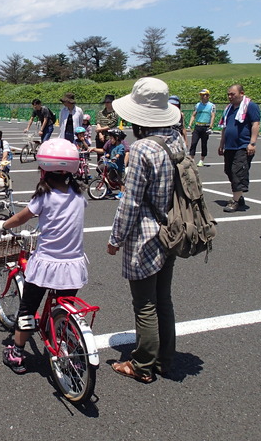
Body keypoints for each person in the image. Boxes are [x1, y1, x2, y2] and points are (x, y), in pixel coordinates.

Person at [106, 77, 183, 383]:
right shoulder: (177, 141)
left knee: (145, 303)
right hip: (172, 228)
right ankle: (165, 360)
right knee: (163, 298)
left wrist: (115, 239)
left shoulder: (141, 149)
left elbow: (131, 203)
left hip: (146, 234)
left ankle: (142, 365)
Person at [0, 138, 87, 374]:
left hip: (47, 263)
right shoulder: (79, 195)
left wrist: (4, 225)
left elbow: (22, 218)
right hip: (73, 265)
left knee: (28, 308)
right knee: (64, 307)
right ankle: (69, 348)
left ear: (44, 170)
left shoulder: (44, 196)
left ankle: (16, 353)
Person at [218, 84, 261, 213]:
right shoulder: (229, 109)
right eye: (229, 94)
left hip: (242, 146)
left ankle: (235, 201)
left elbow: (256, 124)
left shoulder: (250, 106)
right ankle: (239, 196)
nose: (230, 96)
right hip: (230, 146)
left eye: (233, 94)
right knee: (229, 171)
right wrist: (221, 144)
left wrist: (252, 143)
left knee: (238, 172)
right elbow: (225, 128)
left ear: (241, 93)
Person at [188, 89, 216, 167]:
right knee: (193, 143)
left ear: (207, 96)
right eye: (201, 95)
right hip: (198, 126)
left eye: (204, 95)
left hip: (206, 126)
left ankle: (201, 160)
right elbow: (194, 115)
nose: (202, 97)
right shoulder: (197, 105)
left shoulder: (212, 106)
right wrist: (190, 124)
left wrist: (210, 126)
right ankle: (192, 159)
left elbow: (212, 116)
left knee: (204, 144)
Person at [105, 128, 127, 199]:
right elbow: (110, 152)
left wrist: (115, 157)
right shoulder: (112, 146)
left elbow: (119, 154)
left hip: (120, 167)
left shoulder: (121, 147)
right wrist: (108, 155)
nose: (110, 140)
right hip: (113, 166)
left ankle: (122, 193)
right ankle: (114, 188)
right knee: (110, 177)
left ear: (117, 138)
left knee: (121, 181)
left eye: (111, 138)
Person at [95, 94, 118, 159]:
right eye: (105, 102)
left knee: (109, 154)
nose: (106, 104)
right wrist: (100, 134)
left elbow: (110, 125)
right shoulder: (100, 112)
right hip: (99, 136)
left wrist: (99, 130)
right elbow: (98, 123)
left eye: (108, 102)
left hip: (110, 137)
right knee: (99, 155)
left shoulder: (115, 113)